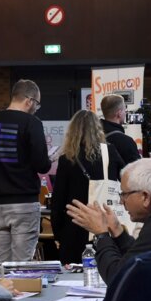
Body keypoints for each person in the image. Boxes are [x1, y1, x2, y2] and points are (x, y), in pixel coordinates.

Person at [66, 158, 151, 284]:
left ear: (145, 196)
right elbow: (139, 257)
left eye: (124, 194)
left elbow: (118, 277)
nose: (121, 201)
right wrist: (118, 231)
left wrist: (101, 235)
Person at [0, 79, 51, 261]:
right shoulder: (31, 123)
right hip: (23, 202)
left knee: (2, 264)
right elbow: (42, 165)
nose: (36, 108)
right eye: (37, 103)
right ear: (28, 100)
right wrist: (50, 159)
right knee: (22, 266)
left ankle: (5, 291)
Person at [51, 110, 124, 263]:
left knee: (74, 277)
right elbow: (125, 181)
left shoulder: (67, 159)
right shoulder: (109, 152)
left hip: (75, 226)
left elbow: (58, 201)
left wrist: (58, 234)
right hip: (104, 223)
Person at [99, 94, 140, 164]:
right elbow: (136, 171)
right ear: (119, 113)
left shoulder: (94, 136)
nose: (126, 112)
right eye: (124, 109)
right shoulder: (127, 142)